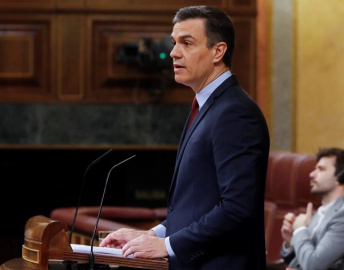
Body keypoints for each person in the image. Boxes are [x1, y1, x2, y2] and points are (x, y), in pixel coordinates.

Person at [99, 5, 270, 270]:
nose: (174, 53)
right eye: (174, 43)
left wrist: (166, 246)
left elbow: (237, 208)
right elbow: (196, 205)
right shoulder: (207, 106)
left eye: (187, 43)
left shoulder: (235, 112)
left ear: (218, 51)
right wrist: (151, 235)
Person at [280, 147, 344, 270]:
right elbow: (298, 261)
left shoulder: (342, 215)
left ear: (340, 176)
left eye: (321, 169)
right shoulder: (320, 212)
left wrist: (300, 230)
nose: (311, 174)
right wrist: (290, 241)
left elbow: (313, 265)